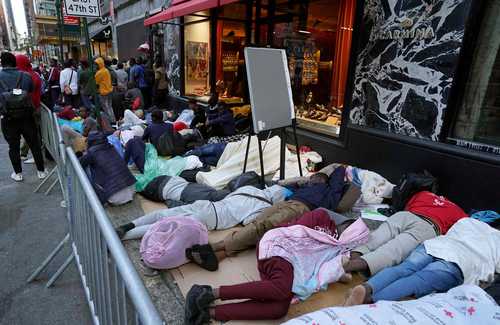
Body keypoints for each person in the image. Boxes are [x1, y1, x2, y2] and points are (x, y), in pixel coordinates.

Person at [184, 209, 366, 323]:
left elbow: (324, 270)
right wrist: (323, 243)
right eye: (348, 230)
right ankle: (207, 292)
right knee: (281, 287)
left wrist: (337, 251)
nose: (346, 237)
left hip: (291, 268)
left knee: (279, 309)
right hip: (280, 247)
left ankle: (209, 313)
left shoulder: (335, 249)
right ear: (344, 224)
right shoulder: (322, 216)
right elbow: (295, 232)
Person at [186, 168, 349, 268]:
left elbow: (338, 177)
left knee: (263, 226)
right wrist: (303, 181)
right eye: (312, 178)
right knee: (257, 225)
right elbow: (283, 184)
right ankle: (217, 257)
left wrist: (340, 168)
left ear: (324, 180)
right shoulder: (304, 186)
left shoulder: (328, 192)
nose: (312, 179)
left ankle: (213, 247)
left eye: (316, 178)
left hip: (301, 209)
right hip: (285, 203)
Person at [344, 217, 500, 306]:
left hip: (434, 246)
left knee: (403, 269)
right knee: (416, 280)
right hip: (460, 263)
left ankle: (367, 287)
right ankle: (369, 303)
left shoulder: (468, 221)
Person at [343, 191, 468, 276]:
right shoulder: (460, 213)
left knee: (376, 238)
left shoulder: (424, 194)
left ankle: (351, 259)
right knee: (395, 250)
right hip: (429, 226)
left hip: (406, 215)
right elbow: (455, 235)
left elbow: (407, 206)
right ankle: (348, 268)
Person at [115, 184, 289, 240]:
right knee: (164, 225)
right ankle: (123, 236)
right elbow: (246, 222)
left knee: (161, 215)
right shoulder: (264, 207)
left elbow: (232, 195)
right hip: (211, 219)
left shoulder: (250, 188)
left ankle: (128, 225)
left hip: (206, 205)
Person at [0, 52, 47, 181]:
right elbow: (31, 90)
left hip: (8, 118)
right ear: (15, 62)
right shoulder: (25, 76)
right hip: (27, 116)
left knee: (13, 147)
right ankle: (41, 171)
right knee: (34, 144)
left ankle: (18, 174)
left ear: (2, 63)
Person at [79, 131, 136, 205]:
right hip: (131, 189)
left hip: (115, 196)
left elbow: (80, 163)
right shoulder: (111, 147)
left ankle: (95, 197)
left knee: (85, 168)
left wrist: (84, 153)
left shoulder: (92, 152)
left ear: (90, 142)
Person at [16, 54, 42, 163]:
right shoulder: (34, 74)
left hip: (30, 109)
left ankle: (33, 155)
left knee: (32, 133)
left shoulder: (26, 76)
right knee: (32, 132)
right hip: (35, 107)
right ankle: (24, 152)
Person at [139, 175, 230, 206]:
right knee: (145, 192)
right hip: (160, 190)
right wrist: (168, 201)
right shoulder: (202, 203)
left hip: (167, 178)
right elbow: (178, 206)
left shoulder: (210, 188)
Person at [94, 57, 115, 123]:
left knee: (106, 108)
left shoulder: (99, 73)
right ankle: (113, 120)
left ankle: (110, 121)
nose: (95, 66)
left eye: (96, 64)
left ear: (99, 64)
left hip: (103, 92)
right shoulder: (106, 70)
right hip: (109, 90)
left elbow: (96, 83)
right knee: (110, 107)